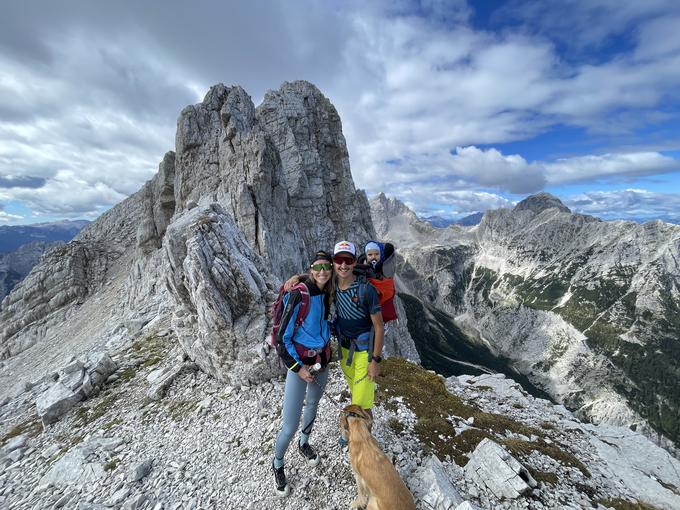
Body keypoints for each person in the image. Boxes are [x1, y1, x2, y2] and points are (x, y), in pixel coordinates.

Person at [271, 250, 334, 497]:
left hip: (322, 360)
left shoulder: (329, 291)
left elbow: (355, 268)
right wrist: (298, 369)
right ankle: (277, 463)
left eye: (326, 267)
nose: (322, 271)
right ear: (310, 268)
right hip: (300, 365)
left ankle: (304, 443)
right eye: (317, 267)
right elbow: (280, 340)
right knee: (289, 424)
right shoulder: (298, 294)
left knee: (314, 405)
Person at [331, 241, 384, 443]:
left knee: (359, 403)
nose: (343, 265)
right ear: (334, 262)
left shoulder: (366, 290)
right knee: (358, 395)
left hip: (364, 352)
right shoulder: (333, 284)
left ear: (354, 262)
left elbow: (379, 327)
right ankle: (364, 431)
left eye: (348, 260)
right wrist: (296, 278)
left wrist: (375, 360)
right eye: (339, 260)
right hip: (345, 352)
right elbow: (314, 278)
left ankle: (358, 437)